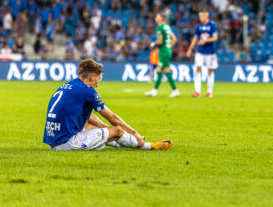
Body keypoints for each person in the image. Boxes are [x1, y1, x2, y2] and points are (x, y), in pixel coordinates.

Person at [43, 59, 172, 151]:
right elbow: (113, 118)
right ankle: (146, 146)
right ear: (92, 77)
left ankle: (119, 142)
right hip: (67, 143)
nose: (97, 84)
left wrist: (106, 130)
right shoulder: (88, 91)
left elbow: (89, 117)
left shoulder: (68, 86)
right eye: (98, 80)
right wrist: (135, 134)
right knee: (117, 130)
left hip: (52, 142)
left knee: (91, 125)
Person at [145, 12, 180, 97]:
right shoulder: (167, 26)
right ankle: (155, 91)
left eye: (157, 16)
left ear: (161, 18)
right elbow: (174, 39)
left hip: (163, 51)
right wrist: (169, 46)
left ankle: (174, 90)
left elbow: (160, 42)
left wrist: (153, 44)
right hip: (167, 50)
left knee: (162, 70)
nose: (155, 18)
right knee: (161, 70)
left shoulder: (159, 27)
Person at [186, 11, 218, 98]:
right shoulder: (198, 26)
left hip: (210, 52)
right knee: (198, 69)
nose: (200, 17)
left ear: (207, 16)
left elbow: (215, 38)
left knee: (210, 71)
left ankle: (209, 91)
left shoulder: (212, 25)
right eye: (199, 16)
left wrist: (205, 41)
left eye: (202, 16)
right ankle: (197, 91)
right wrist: (190, 49)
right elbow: (195, 38)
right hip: (200, 52)